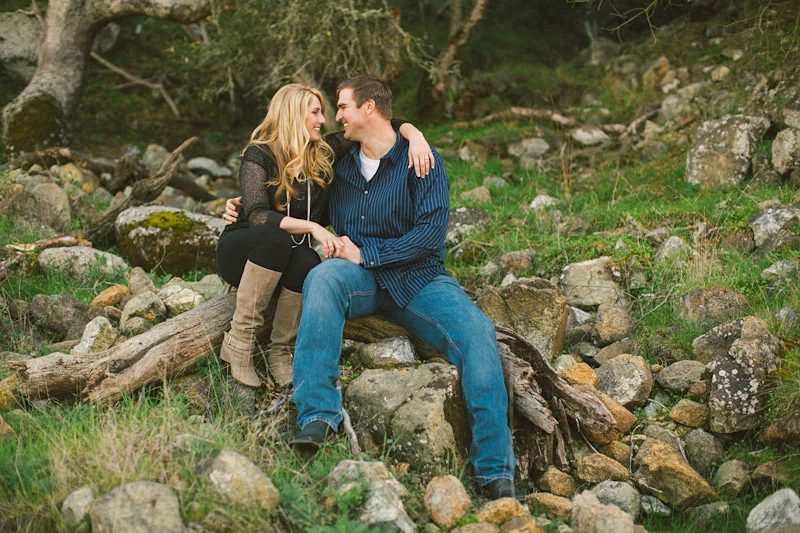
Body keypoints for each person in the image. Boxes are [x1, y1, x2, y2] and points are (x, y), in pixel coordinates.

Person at [287, 76, 518, 500]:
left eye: (342, 107)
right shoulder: (338, 163)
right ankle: (317, 415)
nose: (336, 117)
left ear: (370, 108)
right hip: (360, 282)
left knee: (478, 334)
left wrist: (368, 254)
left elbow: (430, 236)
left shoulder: (421, 160)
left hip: (420, 279)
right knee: (322, 278)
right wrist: (246, 209)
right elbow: (291, 190)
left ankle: (495, 473)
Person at [216, 83, 432, 389]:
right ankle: (239, 344)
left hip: (288, 257)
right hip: (246, 252)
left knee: (308, 258)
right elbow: (257, 217)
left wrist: (416, 136)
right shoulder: (260, 153)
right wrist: (314, 228)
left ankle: (282, 352)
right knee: (277, 238)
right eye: (315, 112)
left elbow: (383, 123)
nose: (323, 120)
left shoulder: (323, 153)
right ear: (293, 114)